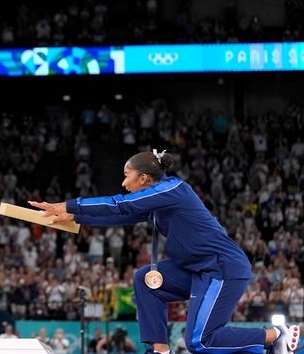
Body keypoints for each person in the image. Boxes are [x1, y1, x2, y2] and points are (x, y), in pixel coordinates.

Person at [29, 150, 300, 354]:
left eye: (127, 176)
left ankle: (276, 334)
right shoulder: (158, 199)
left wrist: (68, 204)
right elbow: (121, 216)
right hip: (196, 269)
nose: (124, 183)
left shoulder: (174, 189)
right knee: (145, 280)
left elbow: (120, 205)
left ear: (143, 177)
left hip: (222, 268)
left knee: (199, 341)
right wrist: (72, 217)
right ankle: (160, 351)